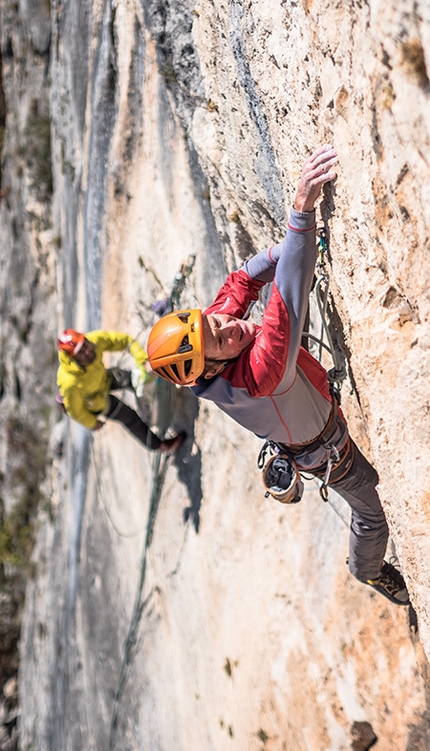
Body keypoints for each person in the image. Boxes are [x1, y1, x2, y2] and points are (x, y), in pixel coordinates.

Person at [146, 144, 409, 607]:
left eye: (214, 322)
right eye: (220, 340)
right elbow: (286, 297)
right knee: (374, 513)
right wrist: (300, 212)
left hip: (302, 411)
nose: (228, 326)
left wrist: (283, 250)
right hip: (330, 453)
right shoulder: (259, 374)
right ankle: (367, 571)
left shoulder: (210, 337)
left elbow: (240, 282)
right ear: (210, 368)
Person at [57, 329, 185, 453]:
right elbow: (75, 411)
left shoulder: (94, 341)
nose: (88, 351)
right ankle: (161, 446)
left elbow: (125, 341)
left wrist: (143, 360)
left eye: (85, 344)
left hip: (103, 379)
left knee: (135, 380)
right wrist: (93, 423)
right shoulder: (70, 383)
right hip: (96, 400)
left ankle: (151, 403)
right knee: (130, 417)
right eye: (81, 352)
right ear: (73, 358)